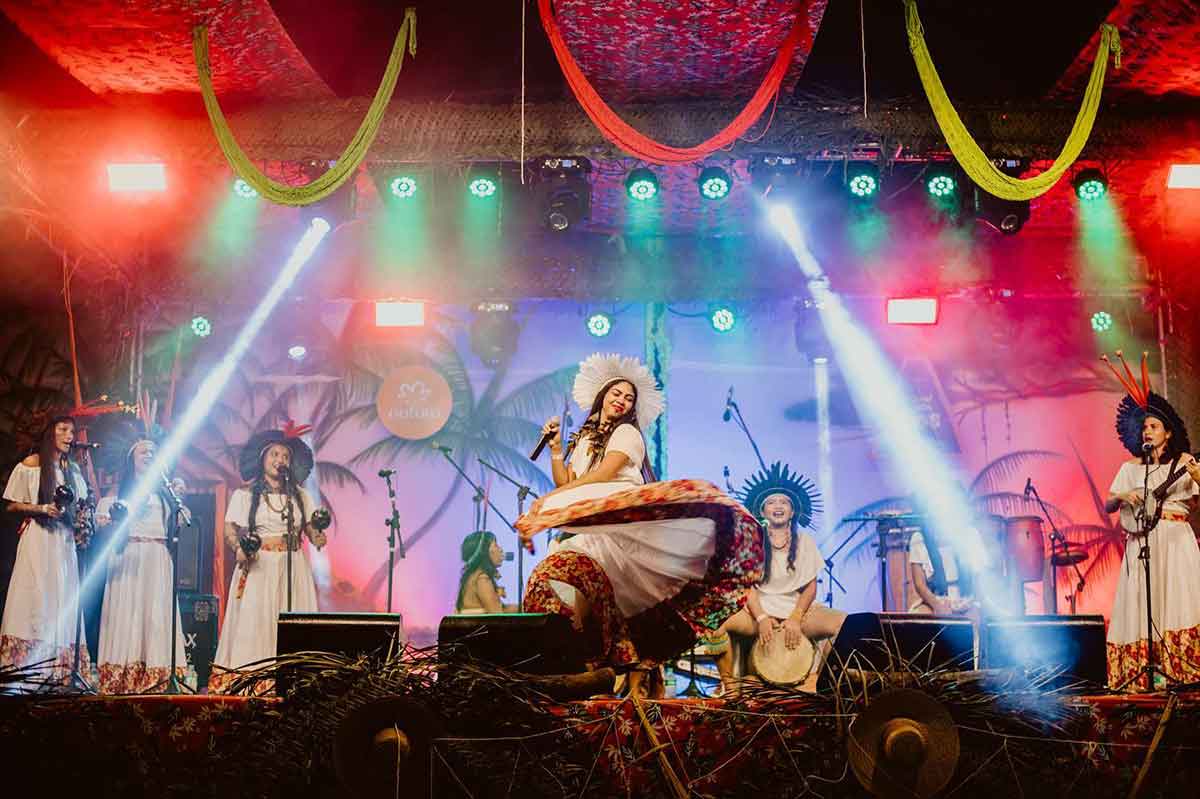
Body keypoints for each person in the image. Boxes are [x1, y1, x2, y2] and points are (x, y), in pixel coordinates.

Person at [518, 353, 762, 698]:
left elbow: (601, 477)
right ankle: (588, 673)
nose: (621, 400)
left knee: (619, 600)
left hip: (619, 519)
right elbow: (567, 482)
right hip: (589, 521)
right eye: (616, 393)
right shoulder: (585, 438)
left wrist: (550, 505)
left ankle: (621, 682)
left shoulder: (628, 433)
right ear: (602, 395)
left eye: (629, 397)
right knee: (577, 589)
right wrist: (557, 450)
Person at [1101, 352, 1200, 688]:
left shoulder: (1184, 462)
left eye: (1154, 426)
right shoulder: (1131, 468)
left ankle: (1182, 673)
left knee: (1178, 600)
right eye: (1145, 426)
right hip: (1142, 543)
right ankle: (1145, 675)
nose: (1148, 430)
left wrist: (1197, 475)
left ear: (1168, 433)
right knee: (1144, 603)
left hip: (1175, 541)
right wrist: (1122, 497)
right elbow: (1108, 505)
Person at [209, 423, 327, 693]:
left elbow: (310, 528)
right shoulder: (245, 495)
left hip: (292, 566)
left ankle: (293, 679)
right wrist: (239, 547)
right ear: (263, 459)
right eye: (274, 454)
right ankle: (255, 681)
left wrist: (318, 536)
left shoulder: (301, 496)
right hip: (259, 566)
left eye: (285, 456)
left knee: (291, 620)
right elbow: (230, 530)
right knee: (257, 622)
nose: (280, 460)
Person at [713, 462, 845, 695]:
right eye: (772, 502)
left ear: (793, 512)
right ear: (762, 511)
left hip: (797, 612)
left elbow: (810, 587)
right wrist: (762, 617)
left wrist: (795, 617)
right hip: (757, 612)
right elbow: (747, 586)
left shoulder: (805, 542)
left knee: (843, 625)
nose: (778, 506)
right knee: (717, 625)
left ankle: (817, 680)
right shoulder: (750, 542)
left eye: (784, 502)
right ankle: (731, 687)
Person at [0, 415, 93, 688]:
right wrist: (41, 509)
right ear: (50, 432)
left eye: (72, 431)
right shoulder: (31, 465)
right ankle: (27, 672)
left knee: (61, 598)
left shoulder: (74, 470)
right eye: (63, 430)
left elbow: (82, 506)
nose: (69, 436)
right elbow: (11, 505)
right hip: (38, 540)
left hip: (63, 544)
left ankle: (60, 672)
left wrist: (84, 522)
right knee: (35, 596)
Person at [93, 435, 188, 694]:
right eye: (143, 452)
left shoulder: (166, 493)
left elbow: (177, 527)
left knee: (154, 614)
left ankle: (156, 676)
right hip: (130, 555)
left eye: (154, 452)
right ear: (131, 460)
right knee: (128, 612)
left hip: (157, 557)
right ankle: (122, 675)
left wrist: (177, 498)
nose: (149, 456)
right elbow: (103, 528)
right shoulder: (121, 493)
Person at [456, 530, 517, 613]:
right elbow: (497, 614)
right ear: (484, 552)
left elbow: (502, 609)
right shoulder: (481, 578)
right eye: (496, 545)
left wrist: (524, 607)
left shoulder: (473, 576)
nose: (501, 549)